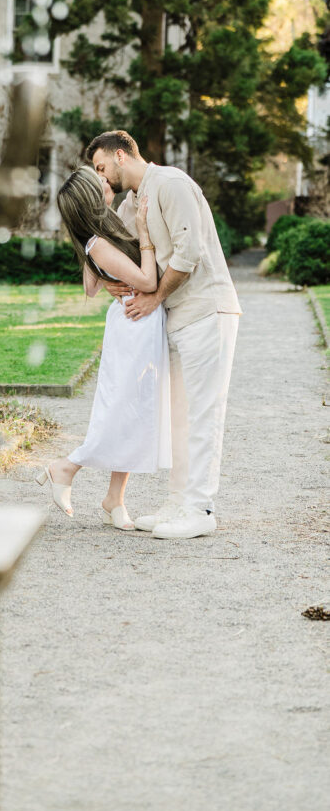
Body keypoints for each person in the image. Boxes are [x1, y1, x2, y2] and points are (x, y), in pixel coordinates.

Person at [87, 130, 241, 539]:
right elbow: (108, 254)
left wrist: (152, 298)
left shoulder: (170, 184)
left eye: (102, 167)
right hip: (175, 317)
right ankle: (178, 502)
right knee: (181, 417)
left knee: (204, 413)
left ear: (121, 156)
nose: (101, 176)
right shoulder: (130, 201)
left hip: (207, 310)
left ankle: (201, 508)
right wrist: (101, 209)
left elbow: (189, 255)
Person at [36, 165, 171, 529]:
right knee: (122, 409)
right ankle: (65, 467)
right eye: (96, 179)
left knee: (135, 411)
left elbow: (91, 287)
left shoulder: (99, 234)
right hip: (133, 325)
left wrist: (105, 269)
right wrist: (142, 235)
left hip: (138, 323)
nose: (104, 177)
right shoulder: (98, 242)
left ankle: (114, 498)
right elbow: (146, 279)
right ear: (89, 197)